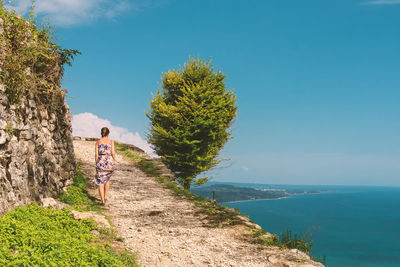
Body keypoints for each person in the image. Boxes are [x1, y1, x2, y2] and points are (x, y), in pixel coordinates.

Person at [95, 127, 116, 205]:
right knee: (107, 180)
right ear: (108, 133)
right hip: (109, 161)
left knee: (100, 181)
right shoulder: (111, 142)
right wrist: (114, 161)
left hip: (101, 161)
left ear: (101, 133)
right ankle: (106, 196)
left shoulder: (98, 142)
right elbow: (113, 152)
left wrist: (96, 163)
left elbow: (96, 155)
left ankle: (102, 201)